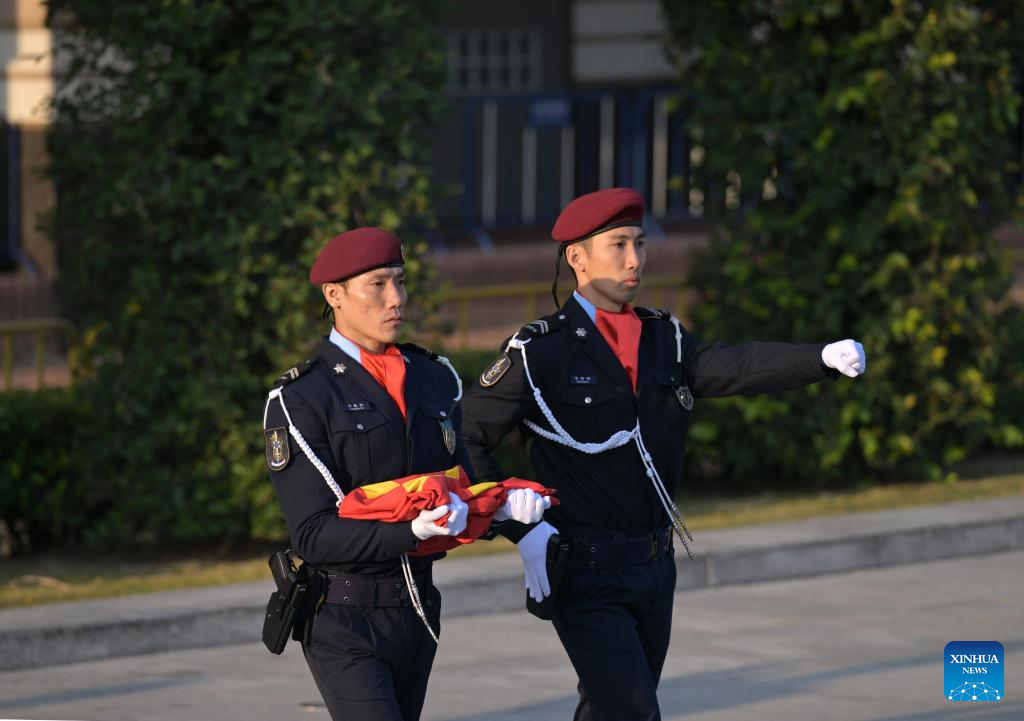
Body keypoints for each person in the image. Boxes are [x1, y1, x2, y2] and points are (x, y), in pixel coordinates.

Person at [460, 188, 867, 721]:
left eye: (640, 244)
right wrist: (516, 521)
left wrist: (817, 359)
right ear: (576, 258)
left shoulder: (662, 338)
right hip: (585, 570)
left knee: (609, 708)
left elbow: (734, 366)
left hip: (654, 567)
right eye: (618, 245)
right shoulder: (542, 352)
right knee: (632, 710)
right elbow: (462, 433)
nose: (635, 260)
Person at [262, 226, 546, 721]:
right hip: (343, 615)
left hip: (418, 608)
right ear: (334, 295)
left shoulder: (434, 376)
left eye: (400, 280)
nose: (396, 298)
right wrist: (409, 531)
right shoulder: (301, 398)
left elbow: (465, 485)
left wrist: (515, 519)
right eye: (377, 284)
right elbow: (312, 535)